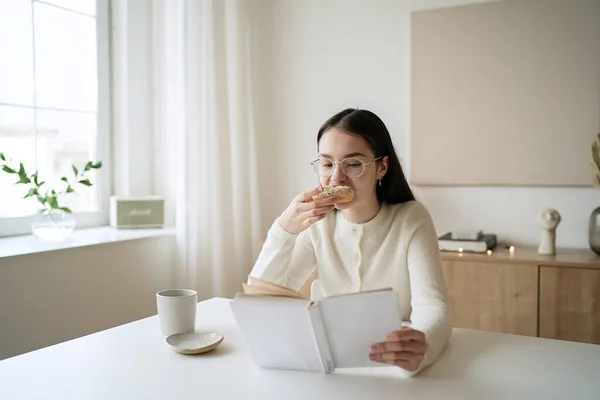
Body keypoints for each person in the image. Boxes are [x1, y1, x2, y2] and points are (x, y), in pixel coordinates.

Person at [249, 108, 452, 376]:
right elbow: (262, 299)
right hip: (330, 362)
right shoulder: (319, 223)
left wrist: (421, 345)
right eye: (327, 163)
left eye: (353, 164)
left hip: (388, 362)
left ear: (381, 167)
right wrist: (283, 229)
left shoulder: (411, 218)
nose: (336, 178)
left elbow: (433, 306)